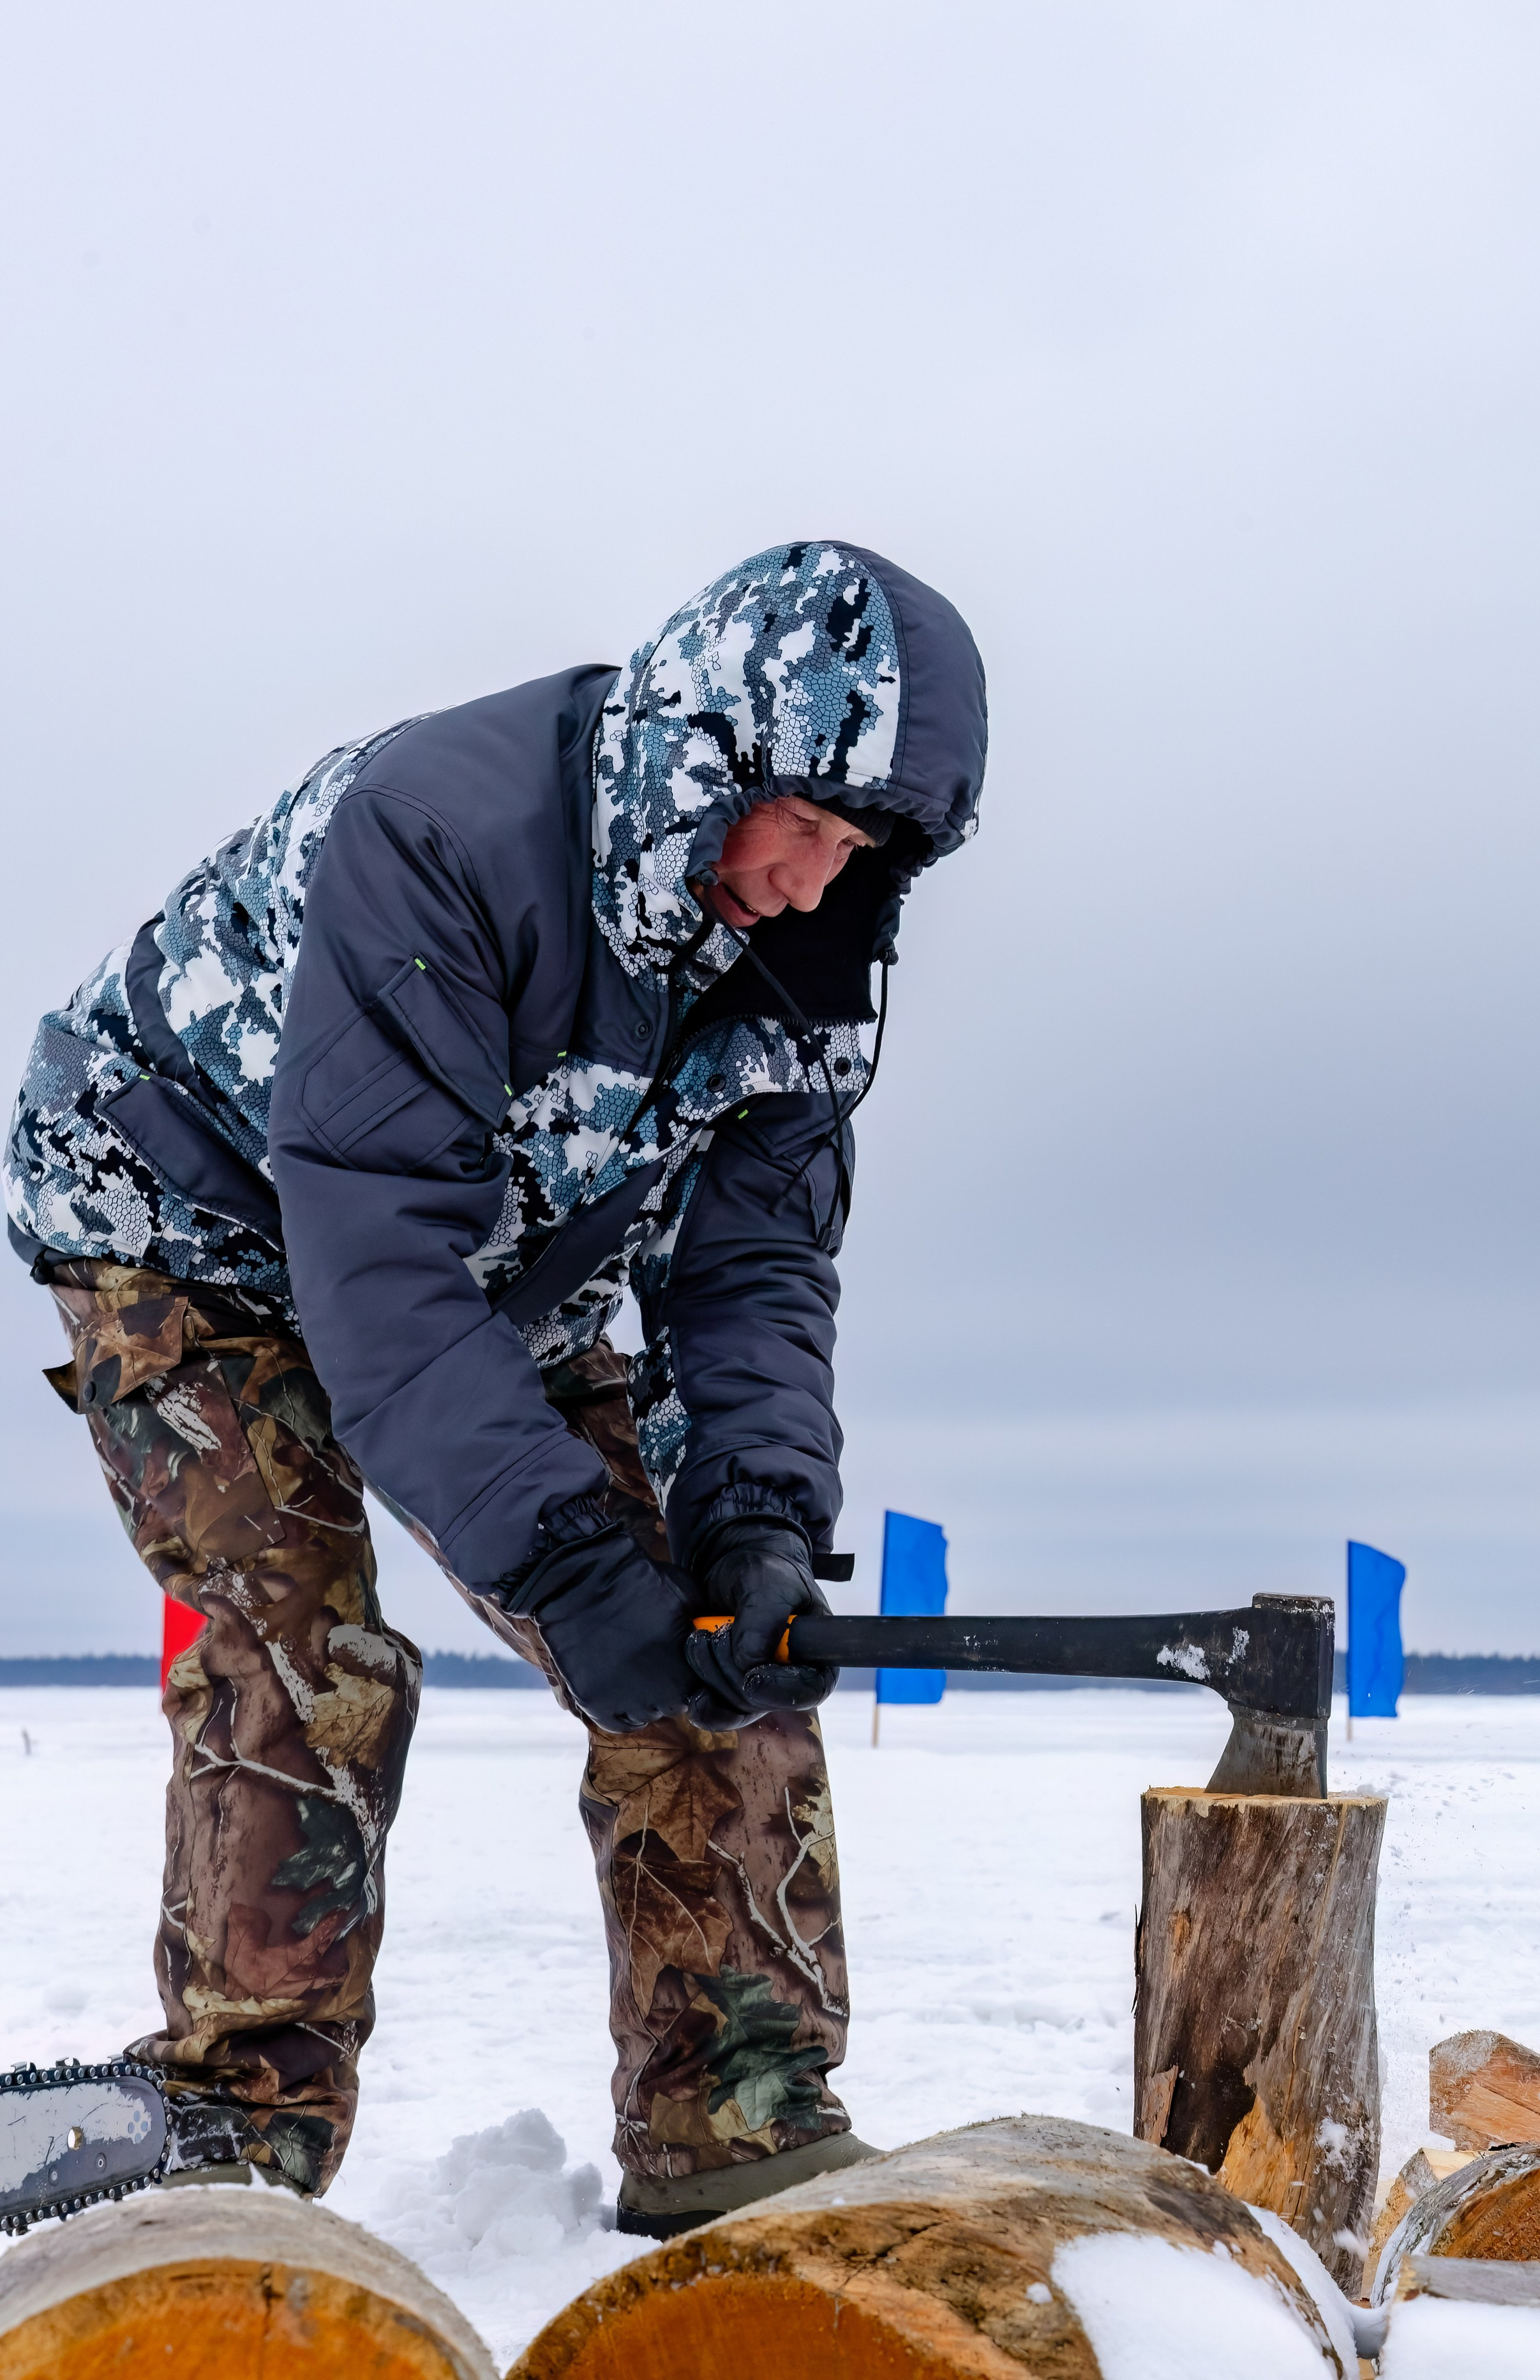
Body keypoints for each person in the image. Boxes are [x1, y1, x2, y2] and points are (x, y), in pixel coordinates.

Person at [3, 541, 987, 2238]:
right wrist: (558, 1557)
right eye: (803, 823)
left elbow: (751, 1272)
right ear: (710, 754)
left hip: (504, 1260)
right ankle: (231, 2116)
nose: (811, 882)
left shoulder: (808, 970)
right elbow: (374, 1257)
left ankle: (732, 2112)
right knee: (310, 1646)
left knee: (716, 1642)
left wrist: (754, 1521)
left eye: (859, 851)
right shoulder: (445, 836)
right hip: (189, 1221)